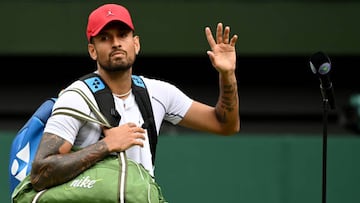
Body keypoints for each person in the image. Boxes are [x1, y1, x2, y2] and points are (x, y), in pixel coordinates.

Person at [30, 3, 240, 192]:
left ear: (136, 43)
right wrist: (106, 145)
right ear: (92, 51)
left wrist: (227, 75)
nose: (116, 43)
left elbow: (225, 125)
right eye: (105, 38)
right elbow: (40, 173)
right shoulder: (76, 97)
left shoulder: (158, 93)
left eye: (123, 35)